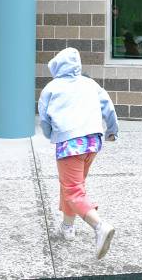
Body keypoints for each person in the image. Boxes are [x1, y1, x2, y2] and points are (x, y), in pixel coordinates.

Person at [38, 47, 120, 260]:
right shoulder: (90, 83)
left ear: (56, 66)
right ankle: (67, 227)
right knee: (73, 186)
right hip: (93, 142)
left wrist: (50, 135)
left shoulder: (51, 88)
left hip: (69, 145)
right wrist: (112, 131)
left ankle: (99, 226)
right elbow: (108, 107)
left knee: (72, 190)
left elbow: (44, 119)